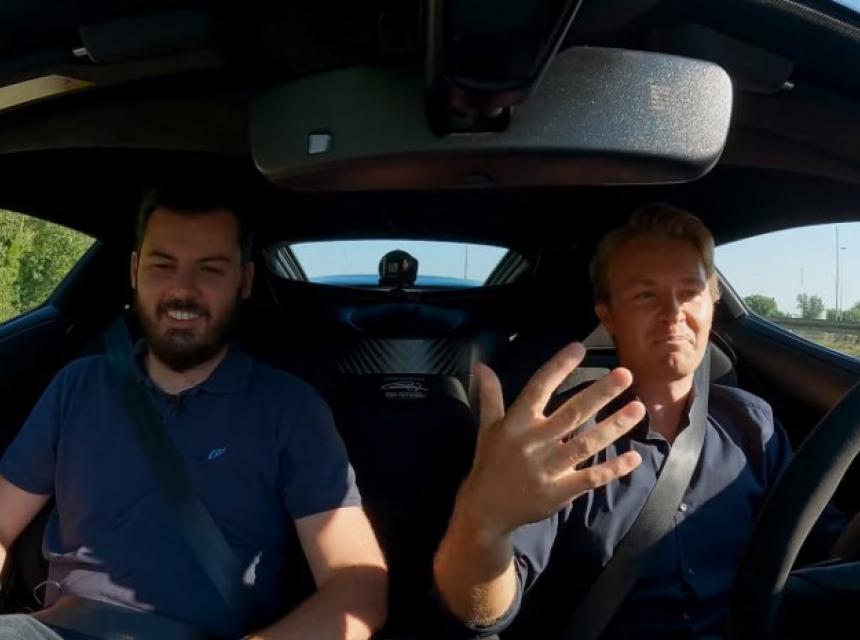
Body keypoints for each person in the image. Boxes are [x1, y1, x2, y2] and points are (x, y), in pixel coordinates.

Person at [433, 203, 844, 639]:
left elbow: (829, 545)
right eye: (646, 295)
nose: (674, 311)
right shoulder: (562, 440)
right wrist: (483, 526)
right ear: (608, 316)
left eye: (690, 292)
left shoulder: (753, 423)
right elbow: (481, 611)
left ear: (711, 303)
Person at [0, 182, 388, 639]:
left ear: (244, 281)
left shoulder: (291, 410)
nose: (182, 290)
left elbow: (357, 587)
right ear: (135, 271)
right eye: (163, 265)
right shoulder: (78, 385)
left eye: (210, 269)